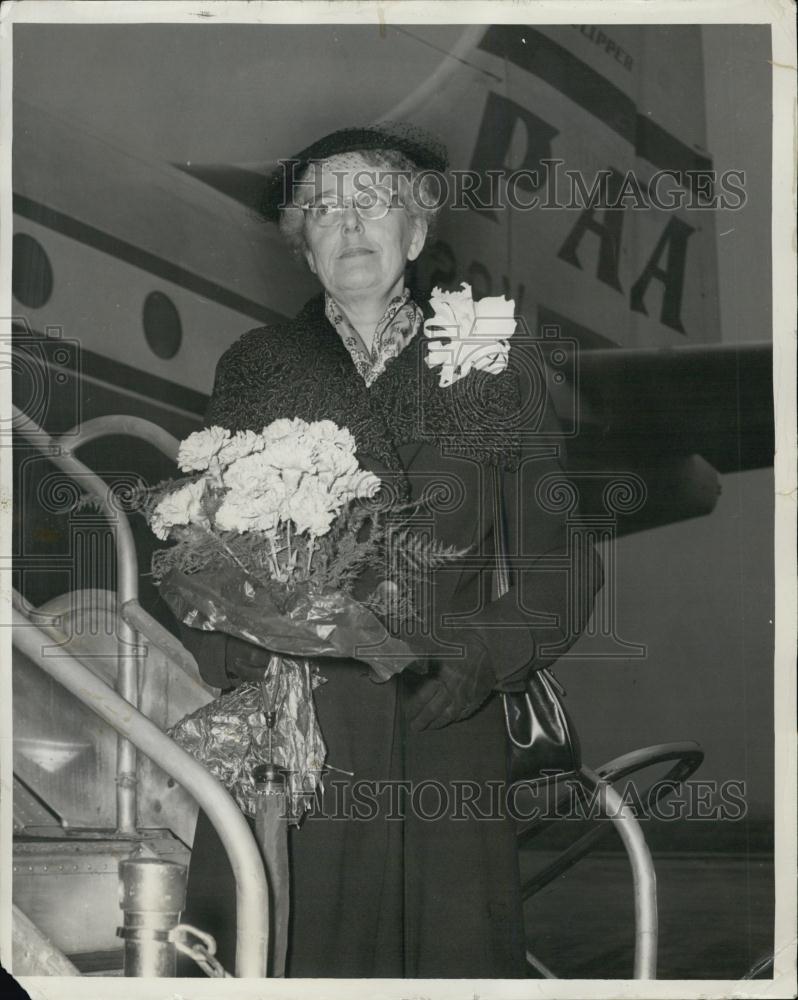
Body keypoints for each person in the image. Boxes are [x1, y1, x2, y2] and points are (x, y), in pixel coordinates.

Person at [175, 122, 603, 979]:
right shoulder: (258, 365)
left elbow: (563, 566)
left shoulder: (496, 362)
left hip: (444, 723)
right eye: (325, 212)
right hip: (294, 741)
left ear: (416, 232)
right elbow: (197, 546)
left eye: (375, 204)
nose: (350, 225)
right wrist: (248, 652)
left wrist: (481, 659)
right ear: (304, 249)